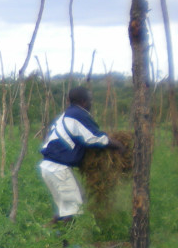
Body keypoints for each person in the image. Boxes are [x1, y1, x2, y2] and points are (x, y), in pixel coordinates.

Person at [39, 86, 126, 222]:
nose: (91, 103)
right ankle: (65, 242)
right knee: (74, 210)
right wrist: (118, 145)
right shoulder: (78, 115)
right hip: (58, 168)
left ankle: (49, 239)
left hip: (50, 167)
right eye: (90, 100)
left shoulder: (67, 115)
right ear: (84, 102)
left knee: (69, 207)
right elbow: (93, 138)